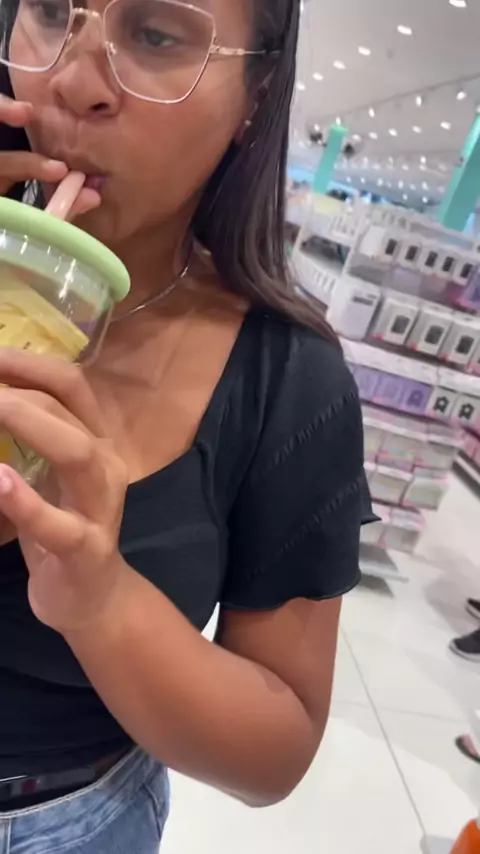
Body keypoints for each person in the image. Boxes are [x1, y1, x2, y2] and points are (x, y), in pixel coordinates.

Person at [0, 0, 373, 850]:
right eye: (51, 10)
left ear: (255, 97)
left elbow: (275, 752)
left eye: (156, 35)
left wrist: (101, 600)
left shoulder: (287, 379)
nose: (74, 80)